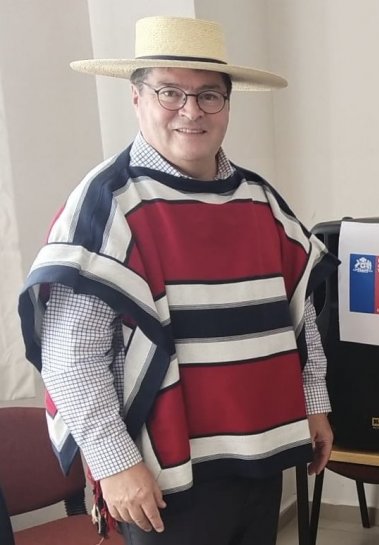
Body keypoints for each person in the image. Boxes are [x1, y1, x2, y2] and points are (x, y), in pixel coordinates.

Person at [17, 16, 338, 545]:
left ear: (227, 105)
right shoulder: (106, 207)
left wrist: (314, 402)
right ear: (137, 98)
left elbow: (299, 315)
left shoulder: (260, 201)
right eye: (170, 92)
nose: (191, 111)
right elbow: (71, 358)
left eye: (209, 95)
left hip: (260, 460)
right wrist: (116, 465)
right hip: (161, 478)